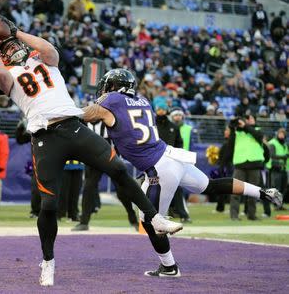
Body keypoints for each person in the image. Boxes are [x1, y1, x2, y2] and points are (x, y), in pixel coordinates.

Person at [0, 15, 183, 286]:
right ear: (0, 56)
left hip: (73, 126)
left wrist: (16, 31)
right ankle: (48, 261)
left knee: (119, 169)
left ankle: (155, 219)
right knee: (49, 204)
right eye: (6, 48)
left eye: (14, 44)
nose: (12, 48)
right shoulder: (4, 73)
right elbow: (1, 76)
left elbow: (51, 51)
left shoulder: (42, 58)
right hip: (44, 137)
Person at [83, 68, 283, 278]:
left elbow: (89, 113)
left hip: (159, 168)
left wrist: (66, 113)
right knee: (211, 186)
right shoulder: (143, 100)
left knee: (149, 220)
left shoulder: (113, 99)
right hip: (172, 157)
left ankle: (169, 267)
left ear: (113, 86)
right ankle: (263, 192)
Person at [72, 121, 139, 231]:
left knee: (121, 191)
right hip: (92, 161)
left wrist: (118, 156)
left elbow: (119, 140)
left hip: (110, 159)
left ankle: (133, 219)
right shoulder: (84, 124)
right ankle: (84, 222)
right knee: (88, 188)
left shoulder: (107, 122)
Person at [225, 115, 268, 220]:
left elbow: (258, 136)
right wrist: (232, 128)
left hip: (254, 164)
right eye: (246, 119)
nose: (248, 121)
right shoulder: (236, 133)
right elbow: (229, 145)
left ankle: (251, 215)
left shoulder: (258, 130)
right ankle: (234, 216)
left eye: (251, 119)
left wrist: (246, 126)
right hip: (240, 164)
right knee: (236, 191)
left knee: (253, 191)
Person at [156, 104, 191, 223]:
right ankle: (154, 215)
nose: (161, 111)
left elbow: (179, 143)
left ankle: (183, 214)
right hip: (155, 161)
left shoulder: (173, 127)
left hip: (171, 161)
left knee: (176, 187)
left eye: (163, 109)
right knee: (154, 187)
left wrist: (177, 155)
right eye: (159, 109)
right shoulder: (152, 126)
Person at [266, 128, 287, 211]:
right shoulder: (273, 143)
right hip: (275, 168)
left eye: (283, 134)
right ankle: (275, 205)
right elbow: (272, 155)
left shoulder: (284, 144)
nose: (281, 135)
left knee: (283, 188)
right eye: (280, 134)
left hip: (283, 168)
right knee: (276, 188)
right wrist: (284, 157)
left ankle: (280, 205)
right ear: (277, 134)